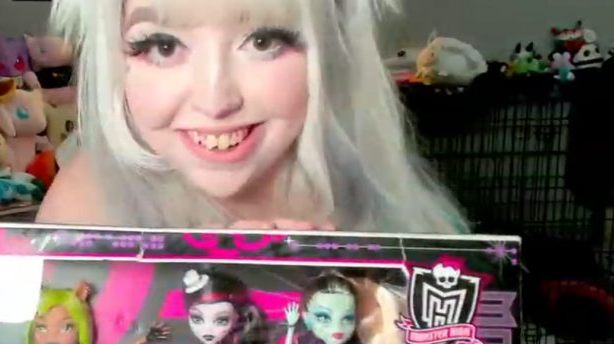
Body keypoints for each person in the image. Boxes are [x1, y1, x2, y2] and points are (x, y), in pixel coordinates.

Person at [36, 0, 467, 232]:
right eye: (162, 46)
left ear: (336, 50)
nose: (215, 100)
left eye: (263, 41)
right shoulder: (87, 205)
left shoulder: (407, 220)